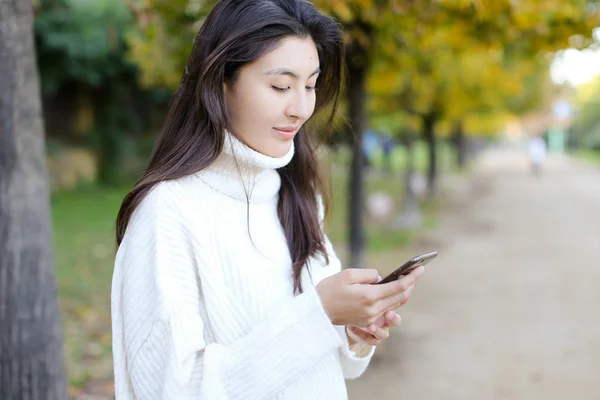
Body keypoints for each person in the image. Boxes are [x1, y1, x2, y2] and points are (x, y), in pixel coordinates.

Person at [111, 0, 425, 398]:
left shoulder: (297, 193)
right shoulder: (168, 212)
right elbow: (170, 389)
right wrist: (318, 314)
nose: (300, 109)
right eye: (280, 86)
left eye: (310, 86)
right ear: (221, 81)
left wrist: (352, 331)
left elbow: (328, 364)